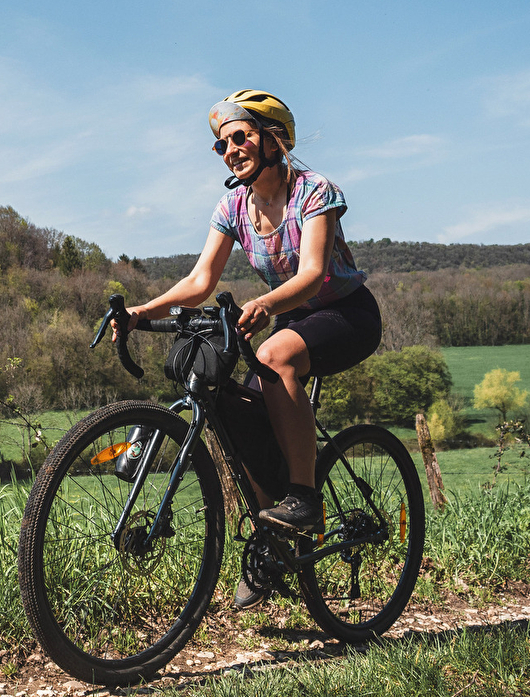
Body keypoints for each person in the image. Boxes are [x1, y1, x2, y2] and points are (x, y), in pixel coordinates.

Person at [114, 90, 382, 609]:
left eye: (239, 137)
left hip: (346, 313)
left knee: (274, 354)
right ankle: (272, 541)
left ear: (272, 139)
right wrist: (141, 313)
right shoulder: (233, 205)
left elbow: (312, 275)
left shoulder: (312, 191)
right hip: (292, 317)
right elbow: (200, 280)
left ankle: (304, 498)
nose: (230, 149)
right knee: (231, 413)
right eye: (221, 145)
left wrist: (263, 303)